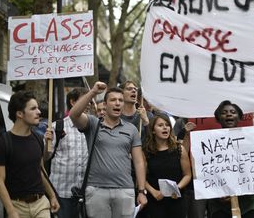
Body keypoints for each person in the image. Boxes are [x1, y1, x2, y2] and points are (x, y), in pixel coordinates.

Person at [69, 81, 148, 218]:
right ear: (105, 105)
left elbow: (139, 162)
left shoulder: (132, 129)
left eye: (120, 100)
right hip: (97, 190)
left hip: (125, 189)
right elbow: (74, 114)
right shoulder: (93, 124)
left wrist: (141, 191)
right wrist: (93, 92)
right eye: (113, 100)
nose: (117, 103)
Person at [0, 91, 60, 218]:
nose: (39, 112)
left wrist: (52, 196)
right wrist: (10, 210)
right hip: (17, 206)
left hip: (41, 204)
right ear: (19, 114)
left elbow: (40, 171)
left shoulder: (38, 138)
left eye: (37, 108)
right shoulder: (3, 143)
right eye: (33, 108)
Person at [209, 100, 254, 218]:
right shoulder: (209, 143)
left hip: (250, 202)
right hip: (220, 203)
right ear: (218, 118)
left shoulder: (252, 139)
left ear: (239, 117)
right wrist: (219, 192)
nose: (229, 114)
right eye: (224, 112)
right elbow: (207, 173)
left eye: (233, 112)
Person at [48, 87, 89, 218]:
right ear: (72, 102)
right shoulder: (57, 127)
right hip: (61, 193)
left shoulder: (93, 127)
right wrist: (46, 144)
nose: (88, 103)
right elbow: (45, 157)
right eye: (85, 99)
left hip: (85, 194)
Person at [143, 113, 191, 218]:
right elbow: (141, 178)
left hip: (177, 200)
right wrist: (153, 191)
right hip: (156, 200)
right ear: (153, 130)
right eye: (160, 125)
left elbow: (187, 175)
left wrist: (177, 188)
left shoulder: (179, 149)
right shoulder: (146, 152)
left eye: (167, 125)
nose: (165, 127)